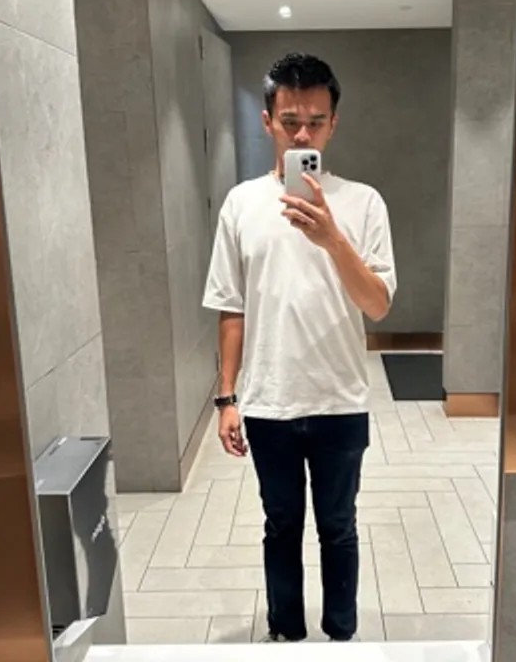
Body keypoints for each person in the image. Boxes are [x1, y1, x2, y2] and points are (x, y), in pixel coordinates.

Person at [202, 52, 397, 643]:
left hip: (340, 399)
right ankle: (286, 635)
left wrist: (333, 239)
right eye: (290, 122)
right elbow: (231, 307)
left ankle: (341, 636)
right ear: (268, 122)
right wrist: (227, 399)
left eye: (315, 121)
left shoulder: (364, 202)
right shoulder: (241, 204)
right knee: (280, 526)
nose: (303, 134)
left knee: (338, 527)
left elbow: (377, 305)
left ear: (334, 123)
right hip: (268, 401)